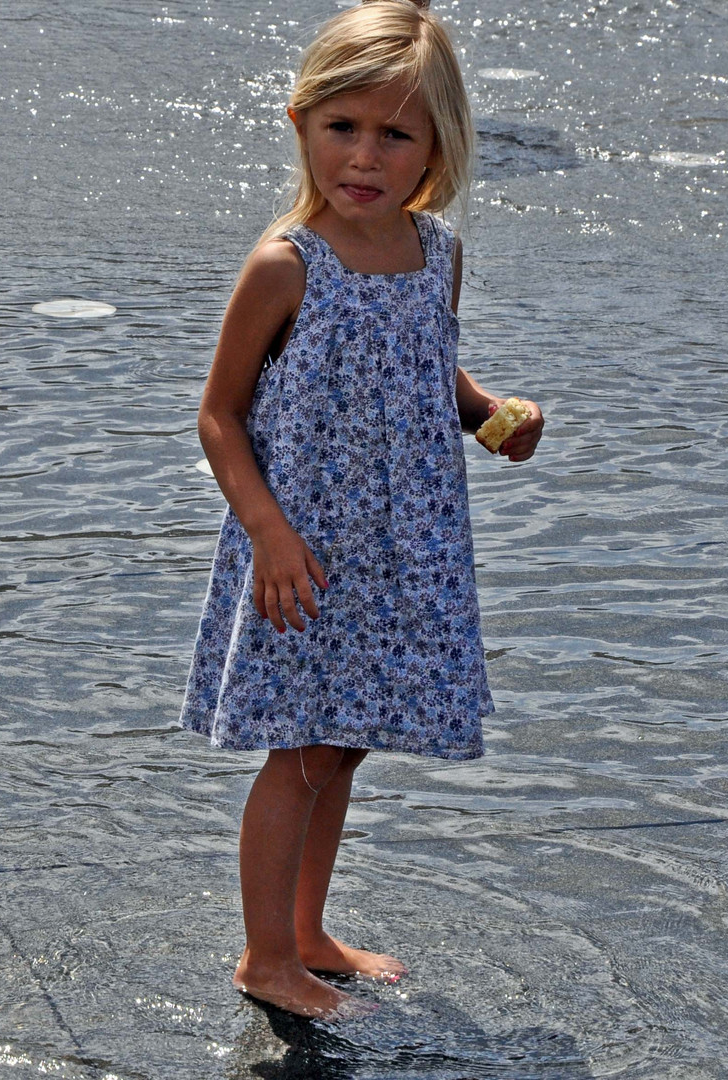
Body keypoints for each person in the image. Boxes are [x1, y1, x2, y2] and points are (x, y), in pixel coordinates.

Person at [180, 0, 544, 1019]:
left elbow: (427, 370)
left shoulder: (436, 256)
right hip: (305, 546)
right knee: (297, 749)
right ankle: (263, 958)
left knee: (340, 742)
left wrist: (486, 415)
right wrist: (267, 532)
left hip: (400, 544)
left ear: (438, 145)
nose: (365, 156)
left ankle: (304, 930)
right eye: (343, 127)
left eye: (395, 134)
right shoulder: (285, 266)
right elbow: (216, 416)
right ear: (300, 123)